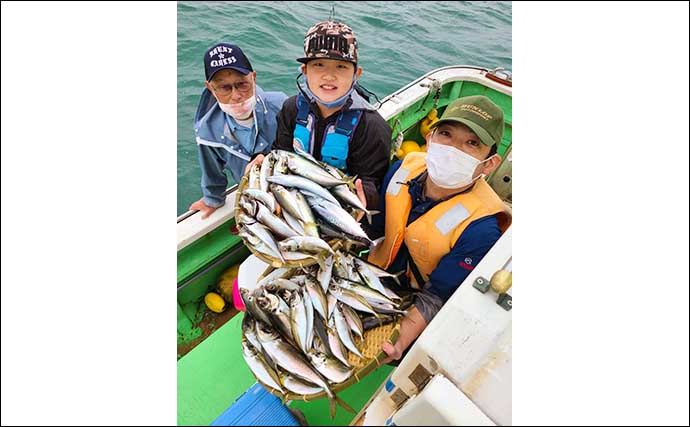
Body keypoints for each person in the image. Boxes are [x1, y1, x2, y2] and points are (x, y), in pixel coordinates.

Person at [367, 95, 513, 364]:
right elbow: (376, 226)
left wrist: (399, 340)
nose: (454, 149)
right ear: (431, 137)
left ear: (489, 163)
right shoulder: (404, 168)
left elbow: (436, 297)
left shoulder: (482, 227)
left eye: (472, 143)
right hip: (371, 275)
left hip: (413, 301)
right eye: (446, 134)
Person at [245, 20, 391, 215]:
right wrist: (263, 159)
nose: (329, 76)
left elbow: (373, 180)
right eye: (319, 65)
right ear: (304, 71)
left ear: (357, 73)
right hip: (294, 202)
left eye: (341, 66)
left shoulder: (372, 126)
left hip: (340, 211)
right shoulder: (291, 109)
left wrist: (366, 197)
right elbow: (281, 153)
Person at [190, 43, 288, 218]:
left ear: (254, 78)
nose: (236, 96)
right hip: (255, 198)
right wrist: (212, 199)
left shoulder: (282, 105)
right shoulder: (207, 131)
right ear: (210, 88)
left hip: (291, 188)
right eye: (224, 87)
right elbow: (212, 171)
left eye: (242, 84)